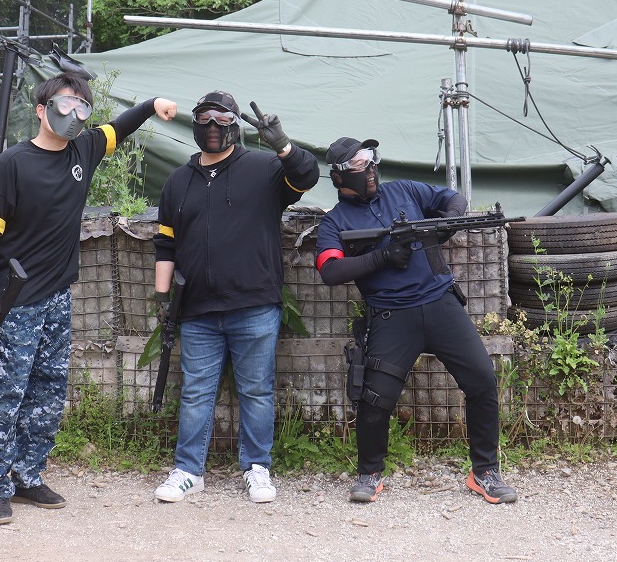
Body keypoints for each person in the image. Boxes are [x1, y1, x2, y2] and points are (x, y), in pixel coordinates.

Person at [0, 71, 176, 525]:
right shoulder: (12, 164)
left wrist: (153, 101)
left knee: (47, 393)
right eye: (65, 105)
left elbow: (121, 127)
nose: (74, 115)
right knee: (4, 395)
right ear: (41, 111)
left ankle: (28, 475)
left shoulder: (84, 151)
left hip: (58, 297)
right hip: (13, 301)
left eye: (82, 107)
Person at [313, 137, 515, 505]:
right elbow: (330, 270)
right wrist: (383, 257)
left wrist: (444, 225)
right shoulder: (335, 222)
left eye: (370, 159)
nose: (370, 167)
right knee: (375, 399)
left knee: (483, 381)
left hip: (441, 304)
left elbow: (453, 199)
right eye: (359, 164)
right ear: (339, 176)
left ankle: (484, 471)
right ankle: (369, 473)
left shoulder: (404, 190)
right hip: (391, 316)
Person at [151, 91, 319, 504]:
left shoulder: (264, 168)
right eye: (204, 119)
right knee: (194, 392)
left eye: (221, 119)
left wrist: (281, 144)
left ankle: (257, 468)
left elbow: (308, 177)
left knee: (257, 391)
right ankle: (189, 471)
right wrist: (161, 298)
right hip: (196, 310)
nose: (212, 126)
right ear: (194, 124)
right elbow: (165, 245)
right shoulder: (178, 181)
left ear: (235, 124)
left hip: (255, 304)